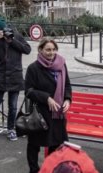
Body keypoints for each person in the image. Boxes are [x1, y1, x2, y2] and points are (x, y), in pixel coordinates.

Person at [24, 38, 72, 173]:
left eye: (53, 49)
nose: (51, 53)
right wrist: (46, 98)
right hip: (40, 113)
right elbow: (28, 91)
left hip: (58, 113)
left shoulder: (61, 64)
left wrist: (67, 99)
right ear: (40, 50)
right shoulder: (33, 68)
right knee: (34, 144)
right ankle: (34, 170)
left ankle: (49, 168)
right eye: (48, 50)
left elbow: (67, 85)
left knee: (55, 143)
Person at [0, 17, 31, 141]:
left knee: (13, 106)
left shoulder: (16, 35)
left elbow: (27, 50)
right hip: (0, 76)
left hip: (15, 76)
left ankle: (11, 129)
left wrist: (12, 41)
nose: (1, 33)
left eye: (1, 30)